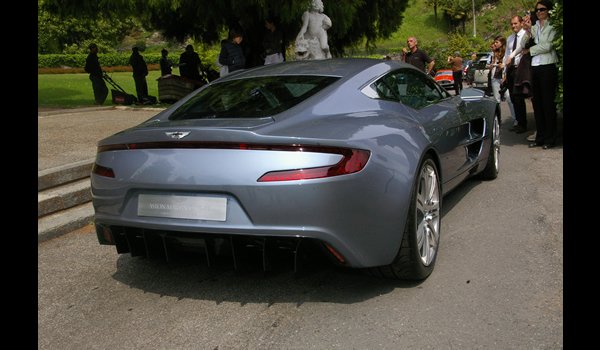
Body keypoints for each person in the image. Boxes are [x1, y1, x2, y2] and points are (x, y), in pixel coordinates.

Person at [523, 0, 559, 149]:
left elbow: (549, 45)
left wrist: (531, 51)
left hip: (548, 65)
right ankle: (540, 137)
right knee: (537, 104)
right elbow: (526, 42)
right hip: (536, 66)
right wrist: (527, 30)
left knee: (547, 103)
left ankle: (550, 139)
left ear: (548, 11)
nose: (539, 12)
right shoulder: (535, 26)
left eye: (542, 9)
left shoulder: (552, 26)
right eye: (537, 10)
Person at [503, 15, 528, 134]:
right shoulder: (510, 38)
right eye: (512, 24)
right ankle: (518, 122)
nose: (513, 26)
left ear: (521, 23)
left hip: (521, 69)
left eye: (515, 23)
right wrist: (505, 74)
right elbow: (506, 55)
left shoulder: (525, 35)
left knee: (519, 97)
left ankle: (523, 124)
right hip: (511, 70)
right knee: (513, 97)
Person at [490, 36, 507, 103]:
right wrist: (491, 67)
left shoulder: (506, 52)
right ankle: (498, 113)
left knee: (508, 97)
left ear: (502, 43)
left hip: (504, 77)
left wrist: (504, 66)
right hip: (495, 77)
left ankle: (514, 113)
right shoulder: (494, 53)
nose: (495, 44)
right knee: (496, 99)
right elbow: (491, 64)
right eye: (495, 42)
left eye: (497, 42)